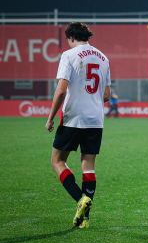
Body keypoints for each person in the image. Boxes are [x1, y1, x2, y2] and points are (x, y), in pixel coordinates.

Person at [45, 22, 111, 229]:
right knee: (88, 167)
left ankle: (79, 199)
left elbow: (61, 91)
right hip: (95, 120)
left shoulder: (69, 56)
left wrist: (50, 117)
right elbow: (107, 95)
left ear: (71, 37)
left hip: (73, 118)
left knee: (57, 161)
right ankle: (85, 219)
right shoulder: (104, 58)